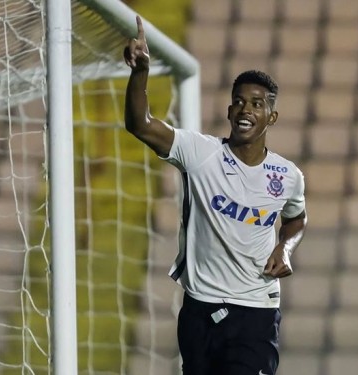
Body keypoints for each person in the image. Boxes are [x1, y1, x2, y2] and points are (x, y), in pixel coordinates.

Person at [123, 16, 308, 375]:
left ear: (271, 117)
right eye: (239, 102)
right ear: (228, 111)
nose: (246, 109)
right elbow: (140, 124)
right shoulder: (200, 153)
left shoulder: (287, 176)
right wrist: (140, 71)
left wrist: (285, 247)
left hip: (255, 310)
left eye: (257, 104)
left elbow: (297, 218)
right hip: (198, 310)